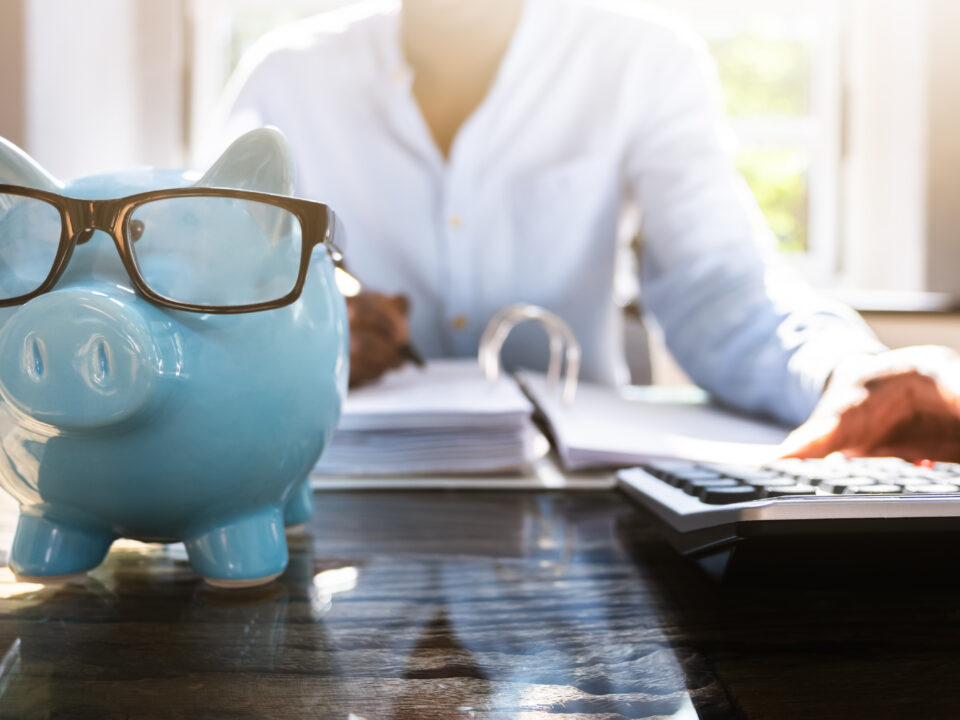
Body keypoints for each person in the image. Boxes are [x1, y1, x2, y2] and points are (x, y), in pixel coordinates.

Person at [212, 0, 960, 462]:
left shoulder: (645, 61)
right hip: (339, 496)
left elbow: (718, 285)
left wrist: (841, 365)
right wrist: (300, 321)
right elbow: (203, 293)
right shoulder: (283, 77)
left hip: (577, 512)